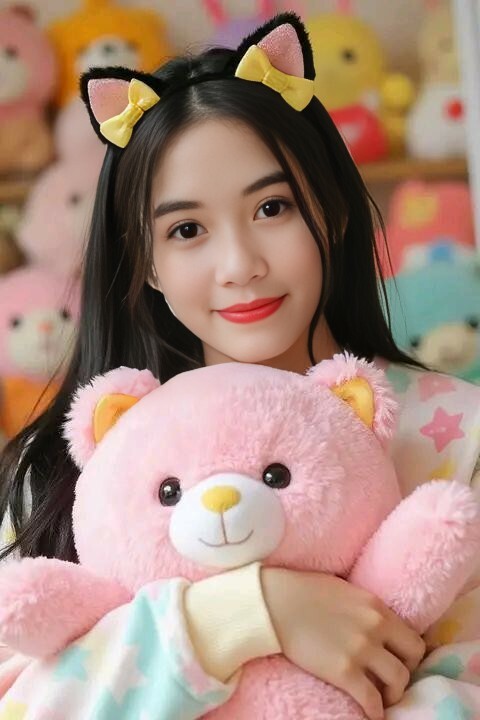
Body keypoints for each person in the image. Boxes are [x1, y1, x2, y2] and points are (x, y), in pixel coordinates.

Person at [0, 11, 478, 720]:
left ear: (334, 211)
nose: (239, 265)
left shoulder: (460, 437)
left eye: (272, 207)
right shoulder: (67, 469)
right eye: (187, 229)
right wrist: (246, 614)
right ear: (146, 262)